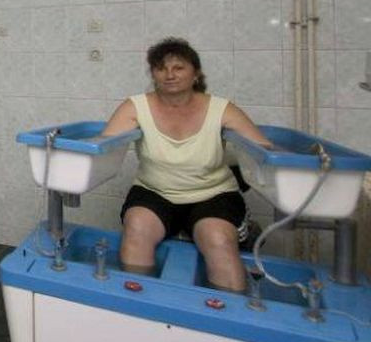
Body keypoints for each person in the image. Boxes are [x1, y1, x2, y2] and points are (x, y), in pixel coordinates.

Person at [100, 37, 272, 293]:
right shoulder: (135, 106)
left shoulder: (221, 108)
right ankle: (138, 303)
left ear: (196, 73)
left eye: (178, 68)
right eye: (161, 68)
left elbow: (264, 148)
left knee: (218, 241)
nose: (170, 75)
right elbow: (103, 143)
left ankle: (228, 310)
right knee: (136, 229)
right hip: (154, 191)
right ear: (153, 75)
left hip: (213, 194)